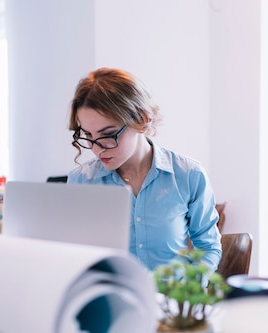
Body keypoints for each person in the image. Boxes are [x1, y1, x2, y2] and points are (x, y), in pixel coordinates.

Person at [66, 67, 222, 272]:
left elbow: (209, 247)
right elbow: (73, 256)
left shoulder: (188, 175)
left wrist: (186, 293)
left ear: (142, 120)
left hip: (172, 301)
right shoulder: (81, 181)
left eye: (108, 134)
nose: (96, 149)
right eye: (88, 135)